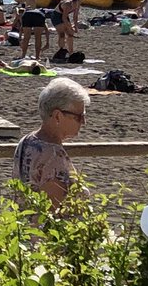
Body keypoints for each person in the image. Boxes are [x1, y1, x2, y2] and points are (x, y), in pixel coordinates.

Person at [13, 78, 90, 207]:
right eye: (79, 117)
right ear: (57, 116)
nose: (83, 122)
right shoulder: (54, 156)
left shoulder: (27, 140)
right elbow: (50, 213)